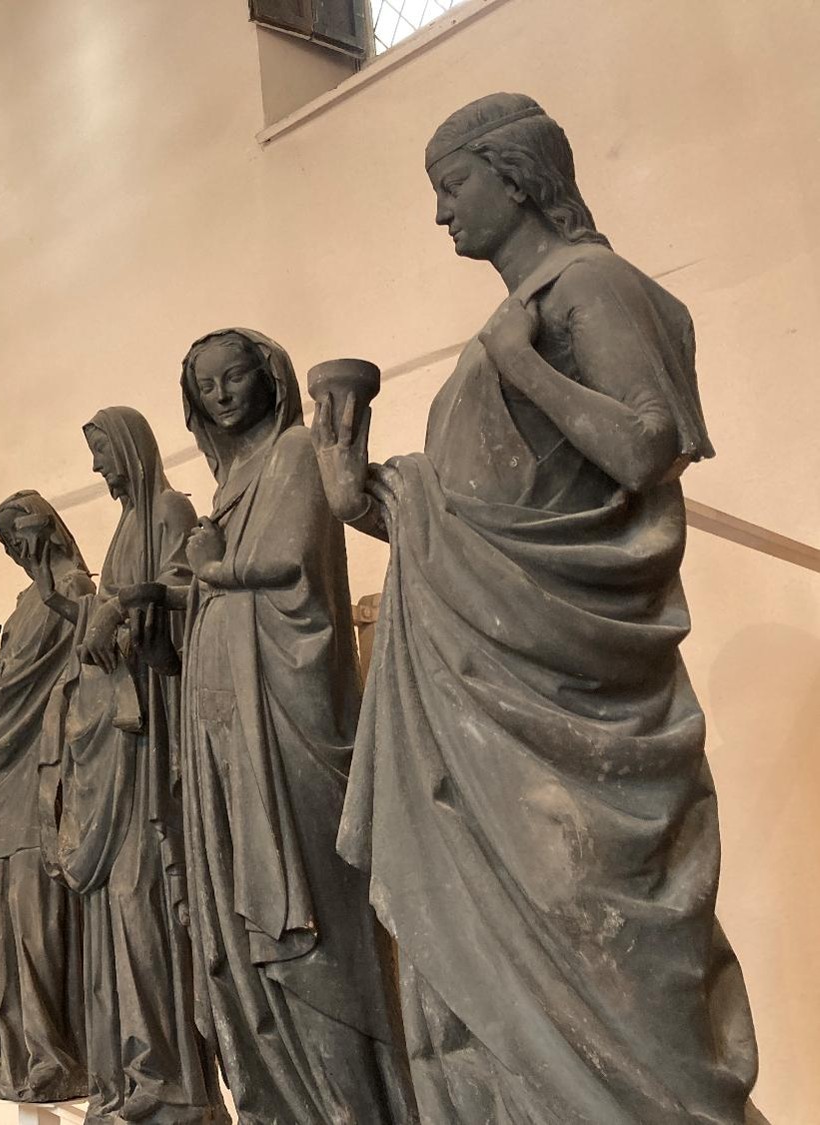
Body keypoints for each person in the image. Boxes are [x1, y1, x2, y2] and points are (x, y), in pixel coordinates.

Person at [312, 92, 760, 1123]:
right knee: (481, 964)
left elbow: (646, 445)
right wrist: (365, 496)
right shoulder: (516, 316)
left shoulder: (589, 286)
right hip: (478, 689)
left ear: (514, 178)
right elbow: (480, 520)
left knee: (598, 947)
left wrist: (519, 363)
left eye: (452, 185)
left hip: (568, 696)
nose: (441, 213)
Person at [173, 329, 414, 1123]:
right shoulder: (228, 483)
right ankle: (277, 1095)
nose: (220, 394)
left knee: (305, 905)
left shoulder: (296, 451)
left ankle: (351, 1103)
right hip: (226, 723)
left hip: (288, 715)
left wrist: (212, 564)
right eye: (206, 385)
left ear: (269, 379)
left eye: (233, 376)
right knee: (239, 910)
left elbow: (290, 559)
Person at [36, 408, 226, 1124]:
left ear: (131, 448)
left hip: (150, 747)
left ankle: (170, 1077)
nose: (96, 468)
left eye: (102, 453)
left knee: (144, 903)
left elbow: (185, 595)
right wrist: (93, 616)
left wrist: (125, 612)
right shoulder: (122, 529)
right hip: (113, 747)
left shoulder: (170, 511)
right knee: (114, 911)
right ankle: (123, 1073)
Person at [0, 490, 90, 1103]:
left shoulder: (72, 591)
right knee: (4, 918)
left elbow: (70, 677)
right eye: (4, 543)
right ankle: (16, 1048)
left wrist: (0, 696)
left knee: (39, 914)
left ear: (44, 530)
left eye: (16, 537)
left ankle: (55, 1052)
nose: (12, 550)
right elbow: (15, 685)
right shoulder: (25, 602)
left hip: (43, 766)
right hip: (2, 771)